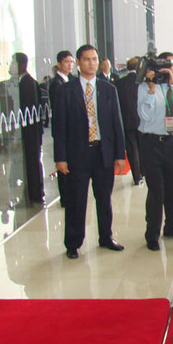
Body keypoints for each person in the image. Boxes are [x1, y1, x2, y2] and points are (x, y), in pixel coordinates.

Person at [53, 44, 126, 259]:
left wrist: (120, 154)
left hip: (103, 152)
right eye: (86, 59)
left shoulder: (108, 89)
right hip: (77, 155)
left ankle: (106, 237)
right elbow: (59, 127)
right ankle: (73, 243)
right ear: (78, 62)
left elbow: (117, 124)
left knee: (104, 199)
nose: (92, 63)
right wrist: (60, 158)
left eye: (95, 59)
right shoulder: (66, 91)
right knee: (77, 201)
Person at [137, 51, 173, 251]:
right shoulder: (145, 87)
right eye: (166, 65)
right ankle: (152, 234)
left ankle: (171, 227)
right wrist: (152, 89)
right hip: (151, 142)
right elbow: (144, 115)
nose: (171, 69)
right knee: (156, 191)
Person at [12, 53, 44, 204]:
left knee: (32, 163)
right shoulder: (20, 82)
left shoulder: (28, 83)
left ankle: (35, 193)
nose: (10, 67)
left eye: (13, 63)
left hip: (30, 133)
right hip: (27, 133)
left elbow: (29, 112)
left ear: (21, 65)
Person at [49, 51, 74, 207]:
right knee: (63, 164)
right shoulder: (56, 84)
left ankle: (70, 195)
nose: (70, 65)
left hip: (72, 131)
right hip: (63, 130)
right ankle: (65, 198)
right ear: (59, 64)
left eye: (71, 62)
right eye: (66, 62)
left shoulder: (70, 80)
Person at [116, 57, 144, 186]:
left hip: (126, 120)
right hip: (142, 120)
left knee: (132, 149)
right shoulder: (143, 82)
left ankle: (137, 177)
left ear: (127, 68)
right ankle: (144, 172)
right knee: (142, 147)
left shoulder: (119, 83)